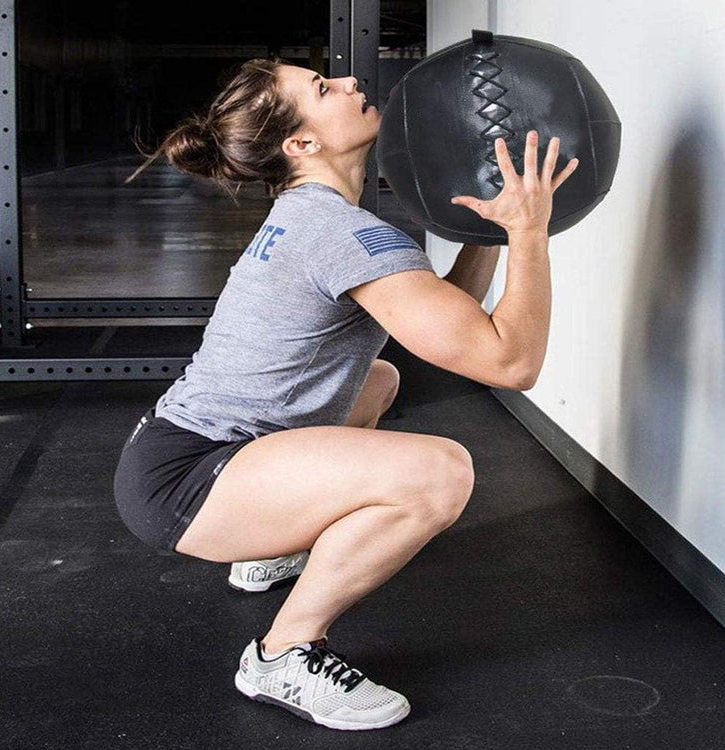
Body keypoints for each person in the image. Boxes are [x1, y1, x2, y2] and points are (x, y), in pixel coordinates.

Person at [113, 57, 578, 731]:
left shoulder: (316, 216)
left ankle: (264, 549)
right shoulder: (340, 233)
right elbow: (510, 361)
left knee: (378, 380)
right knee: (439, 474)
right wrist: (530, 232)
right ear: (301, 143)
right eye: (323, 88)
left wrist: (490, 234)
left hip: (184, 455)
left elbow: (449, 321)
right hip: (187, 482)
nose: (351, 84)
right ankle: (282, 653)